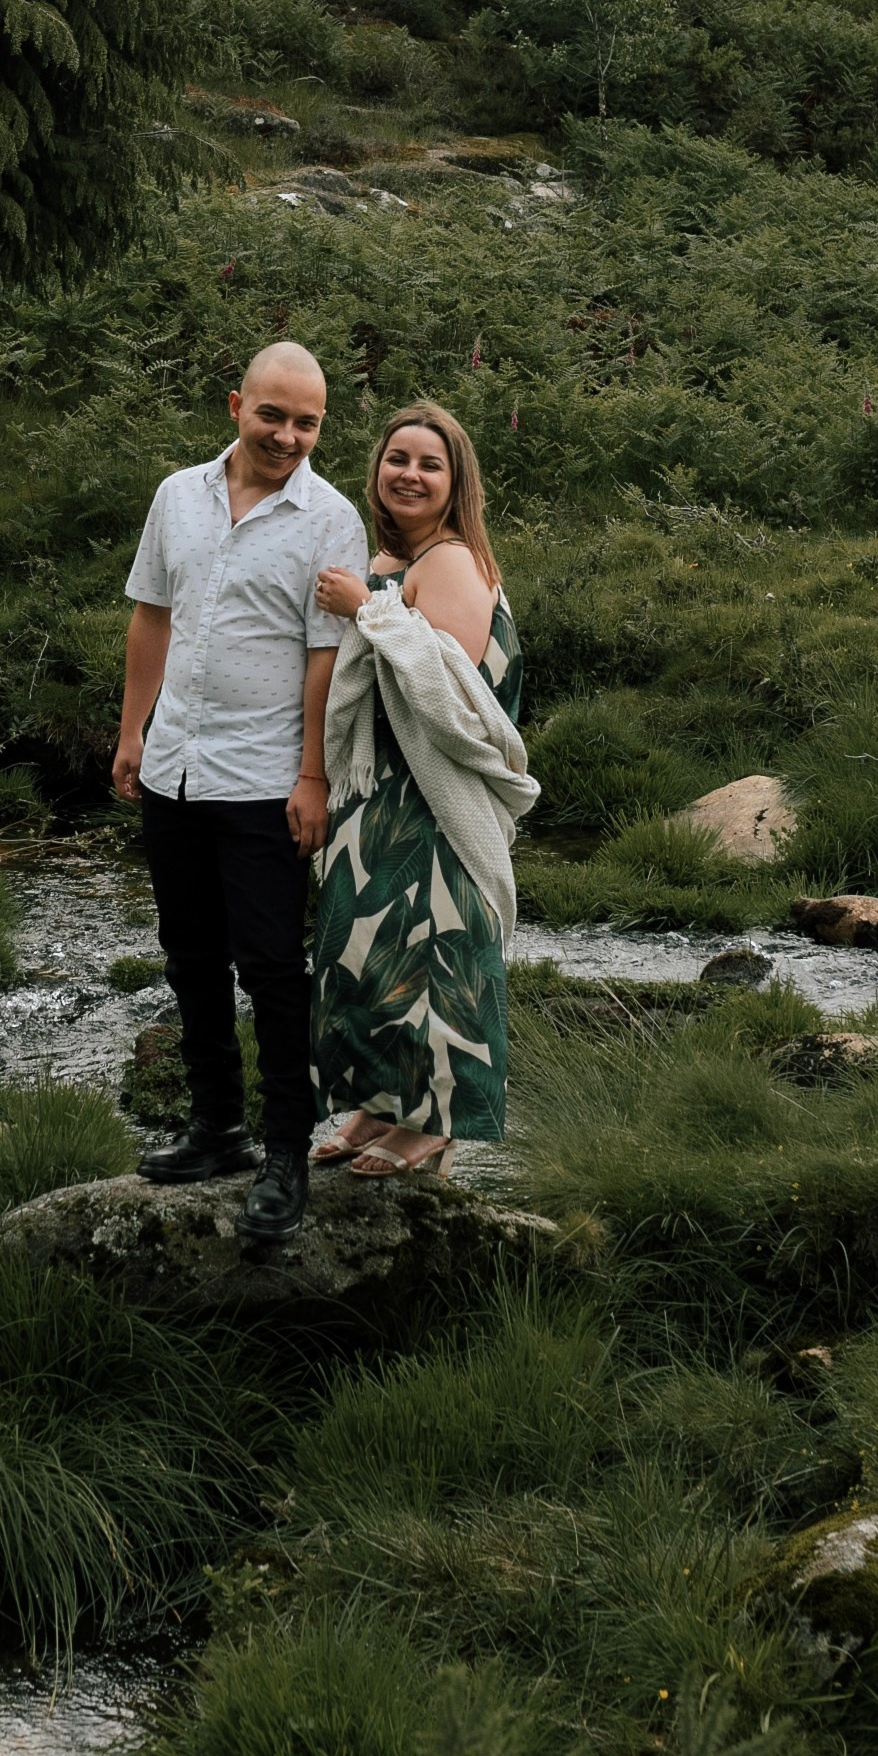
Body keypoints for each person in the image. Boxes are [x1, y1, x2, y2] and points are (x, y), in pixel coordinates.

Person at [113, 341, 369, 1243]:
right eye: (274, 415)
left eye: (307, 423)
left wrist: (312, 776)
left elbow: (324, 660)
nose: (289, 436)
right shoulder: (177, 496)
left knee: (270, 968)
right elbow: (153, 614)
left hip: (264, 780)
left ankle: (285, 1154)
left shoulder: (332, 521)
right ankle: (214, 1127)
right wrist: (131, 731)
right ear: (235, 406)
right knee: (188, 955)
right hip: (176, 760)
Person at [309, 401, 536, 1176]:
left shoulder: (451, 560)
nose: (409, 474)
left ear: (454, 482)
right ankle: (379, 1105)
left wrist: (366, 609)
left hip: (435, 791)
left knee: (436, 951)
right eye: (397, 459)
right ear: (377, 470)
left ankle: (436, 1120)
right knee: (367, 947)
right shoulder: (382, 562)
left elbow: (453, 687)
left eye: (428, 464)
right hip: (379, 789)